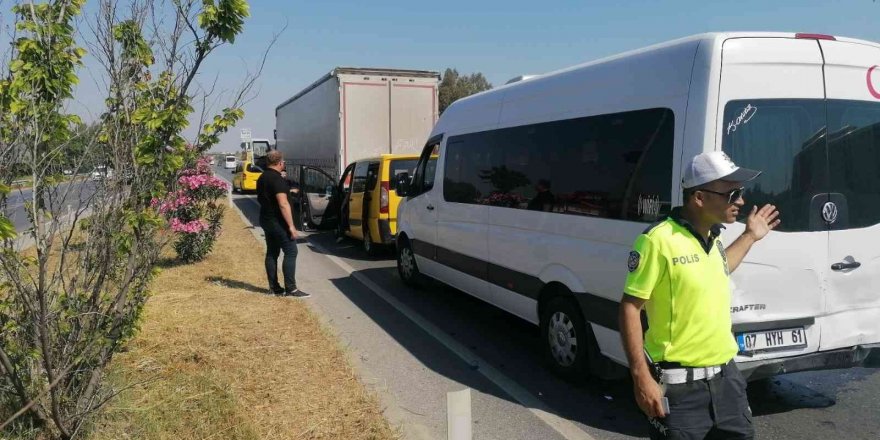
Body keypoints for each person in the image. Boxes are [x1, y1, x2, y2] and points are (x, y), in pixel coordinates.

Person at [619, 151, 781, 439]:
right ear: (699, 198)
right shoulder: (657, 240)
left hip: (727, 381)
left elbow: (720, 267)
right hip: (680, 390)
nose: (741, 201)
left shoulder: (713, 237)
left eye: (740, 193)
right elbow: (631, 308)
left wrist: (749, 236)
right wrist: (640, 377)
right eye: (732, 194)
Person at [256, 151, 309, 298]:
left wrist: (288, 190)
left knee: (272, 252)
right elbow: (283, 204)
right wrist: (291, 227)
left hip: (266, 220)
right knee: (291, 252)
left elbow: (270, 196)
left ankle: (274, 288)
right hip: (278, 222)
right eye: (283, 162)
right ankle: (291, 288)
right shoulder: (277, 180)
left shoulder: (263, 177)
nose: (284, 164)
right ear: (280, 163)